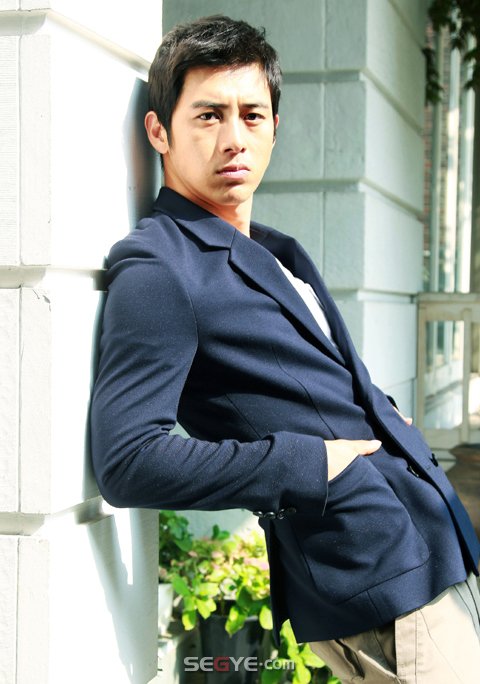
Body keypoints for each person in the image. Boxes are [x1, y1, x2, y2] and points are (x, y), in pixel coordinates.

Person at [90, 15, 480, 683]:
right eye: (208, 115)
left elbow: (300, 379)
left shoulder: (272, 249)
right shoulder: (159, 269)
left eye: (252, 115)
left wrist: (383, 413)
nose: (234, 138)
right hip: (378, 573)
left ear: (275, 126)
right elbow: (128, 460)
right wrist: (309, 462)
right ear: (159, 131)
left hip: (430, 535)